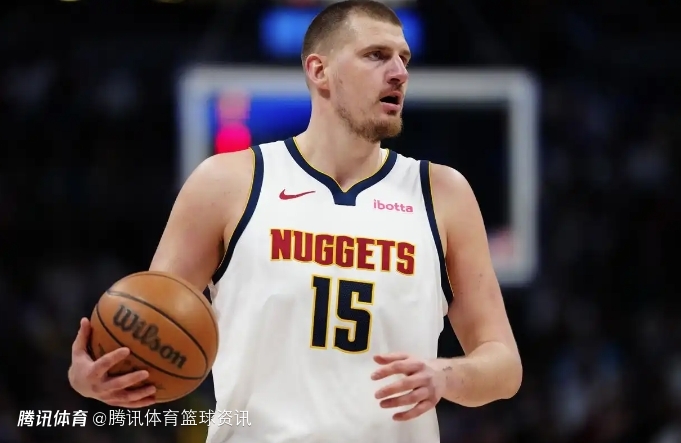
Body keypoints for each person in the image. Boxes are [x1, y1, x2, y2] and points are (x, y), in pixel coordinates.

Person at [67, 1, 522, 441]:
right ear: (319, 71)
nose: (399, 72)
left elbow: (504, 364)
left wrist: (445, 375)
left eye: (404, 58)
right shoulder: (227, 183)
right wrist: (92, 377)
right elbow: (147, 330)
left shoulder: (442, 193)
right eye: (376, 55)